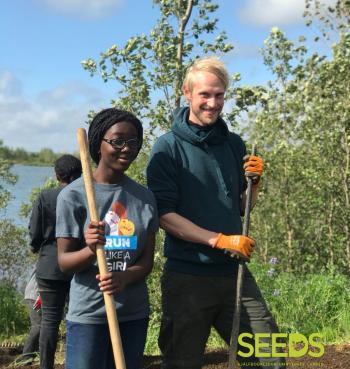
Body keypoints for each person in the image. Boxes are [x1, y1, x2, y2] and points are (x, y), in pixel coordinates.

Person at [147, 57, 285, 369]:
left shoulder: (235, 145)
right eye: (205, 95)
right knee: (182, 363)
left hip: (234, 272)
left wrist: (255, 184)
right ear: (187, 92)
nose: (213, 103)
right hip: (188, 277)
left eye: (219, 95)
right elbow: (164, 215)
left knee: (270, 357)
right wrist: (219, 239)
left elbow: (241, 207)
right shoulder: (167, 148)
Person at [56, 108, 158, 369]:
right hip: (89, 315)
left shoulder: (144, 198)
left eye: (133, 142)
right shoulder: (73, 196)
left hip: (133, 315)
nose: (126, 149)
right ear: (98, 144)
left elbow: (146, 263)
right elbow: (65, 263)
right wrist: (91, 249)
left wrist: (124, 277)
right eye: (117, 141)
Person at [29, 154, 82, 369]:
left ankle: (46, 366)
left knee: (50, 320)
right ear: (78, 174)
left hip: (50, 264)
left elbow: (35, 232)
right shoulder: (85, 195)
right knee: (77, 316)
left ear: (57, 175)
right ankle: (75, 363)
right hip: (80, 263)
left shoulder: (46, 196)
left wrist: (36, 247)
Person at [21, 268, 41, 365]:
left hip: (37, 294)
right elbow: (43, 274)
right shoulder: (50, 256)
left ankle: (34, 354)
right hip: (35, 295)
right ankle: (26, 356)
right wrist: (41, 294)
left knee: (42, 326)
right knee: (37, 326)